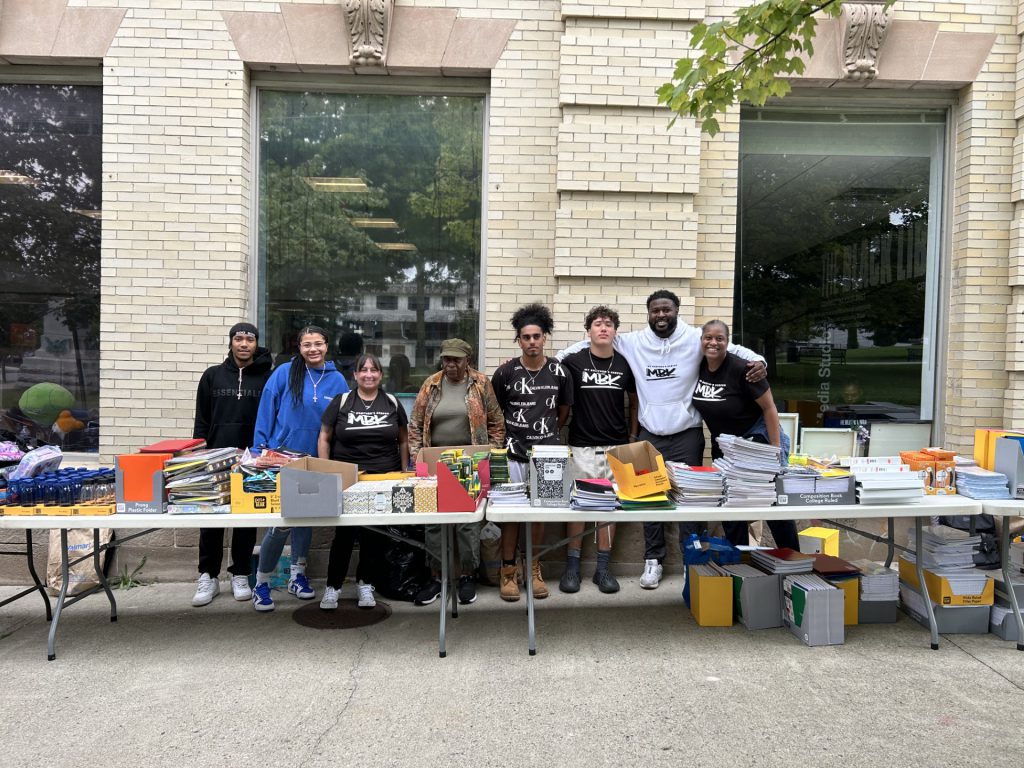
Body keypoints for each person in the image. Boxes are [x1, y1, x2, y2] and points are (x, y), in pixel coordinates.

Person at [559, 289, 765, 590]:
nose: (661, 315)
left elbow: (733, 348)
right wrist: (554, 359)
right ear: (648, 312)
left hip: (687, 434)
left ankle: (690, 563)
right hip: (649, 435)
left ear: (676, 310)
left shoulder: (696, 339)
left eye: (666, 309)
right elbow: (590, 343)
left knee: (691, 502)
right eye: (655, 310)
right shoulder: (634, 341)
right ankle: (652, 561)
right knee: (647, 499)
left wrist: (760, 361)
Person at [250, 326, 349, 612]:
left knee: (306, 519)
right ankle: (262, 582)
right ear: (299, 347)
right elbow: (266, 410)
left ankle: (298, 575)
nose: (313, 349)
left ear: (326, 346)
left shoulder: (337, 379)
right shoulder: (284, 373)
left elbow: (340, 422)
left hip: (316, 459)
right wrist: (259, 450)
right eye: (307, 345)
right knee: (281, 524)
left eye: (318, 344)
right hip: (282, 458)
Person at [408, 338, 504, 607]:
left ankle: (466, 576)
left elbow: (497, 422)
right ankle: (437, 578)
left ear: (467, 361)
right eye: (446, 359)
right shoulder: (431, 384)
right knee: (435, 523)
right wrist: (418, 459)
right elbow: (415, 424)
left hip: (469, 464)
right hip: (435, 463)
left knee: (467, 523)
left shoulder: (481, 384)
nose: (450, 365)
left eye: (456, 360)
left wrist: (488, 454)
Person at [692, 319, 799, 549]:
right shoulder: (697, 366)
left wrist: (775, 451)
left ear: (727, 342)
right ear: (701, 341)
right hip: (725, 444)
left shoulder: (743, 369)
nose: (713, 343)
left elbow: (770, 408)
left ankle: (793, 562)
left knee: (770, 503)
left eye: (719, 338)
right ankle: (739, 562)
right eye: (708, 337)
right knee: (730, 507)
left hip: (756, 441)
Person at [491, 304, 572, 602]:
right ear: (519, 340)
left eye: (537, 336)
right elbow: (495, 413)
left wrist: (547, 437)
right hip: (512, 453)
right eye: (526, 337)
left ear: (545, 337)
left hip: (549, 455)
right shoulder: (505, 372)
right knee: (511, 517)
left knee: (539, 517)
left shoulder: (560, 372)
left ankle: (533, 568)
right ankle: (508, 571)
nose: (532, 342)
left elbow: (563, 412)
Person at [317, 353, 409, 611]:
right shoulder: (342, 401)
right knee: (344, 534)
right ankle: (332, 587)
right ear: (355, 375)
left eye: (374, 370)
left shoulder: (391, 402)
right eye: (363, 370)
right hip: (348, 479)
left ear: (381, 375)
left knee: (374, 535)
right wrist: (327, 470)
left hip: (383, 478)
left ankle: (366, 584)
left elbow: (403, 439)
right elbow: (324, 437)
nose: (369, 374)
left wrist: (403, 471)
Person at [190, 322, 273, 607]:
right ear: (231, 342)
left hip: (251, 458)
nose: (244, 344)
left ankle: (240, 573)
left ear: (256, 344)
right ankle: (208, 576)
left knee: (245, 518)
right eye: (239, 339)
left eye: (250, 339)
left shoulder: (266, 378)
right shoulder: (212, 376)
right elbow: (201, 418)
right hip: (213, 457)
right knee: (211, 519)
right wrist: (197, 453)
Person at [559, 306, 637, 594]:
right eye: (597, 324)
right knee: (579, 505)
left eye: (608, 324)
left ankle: (603, 569)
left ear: (615, 331)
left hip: (616, 445)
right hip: (581, 444)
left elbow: (634, 400)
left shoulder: (625, 363)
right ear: (588, 330)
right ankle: (572, 567)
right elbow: (548, 377)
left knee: (609, 508)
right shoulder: (573, 362)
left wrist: (632, 435)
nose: (603, 328)